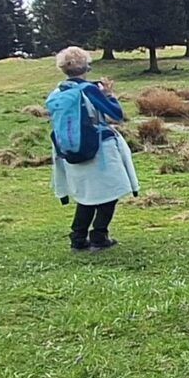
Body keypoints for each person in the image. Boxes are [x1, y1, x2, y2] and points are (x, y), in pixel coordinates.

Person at [47, 47, 139, 251]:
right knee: (110, 192)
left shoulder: (58, 92)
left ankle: (78, 237)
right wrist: (109, 95)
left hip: (70, 150)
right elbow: (116, 115)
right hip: (99, 149)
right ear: (86, 66)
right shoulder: (89, 90)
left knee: (86, 195)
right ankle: (99, 235)